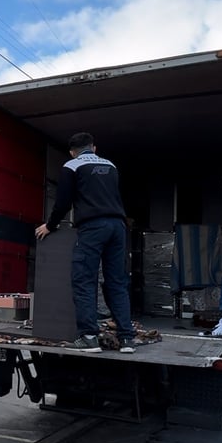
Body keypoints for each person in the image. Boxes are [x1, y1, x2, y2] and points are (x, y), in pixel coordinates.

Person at [35, 132, 136, 354]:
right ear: (94, 148)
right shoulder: (111, 166)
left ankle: (89, 337)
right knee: (117, 282)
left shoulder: (72, 166)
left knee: (84, 280)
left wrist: (50, 226)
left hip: (93, 228)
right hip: (118, 227)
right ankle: (127, 339)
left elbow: (63, 202)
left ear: (73, 151)